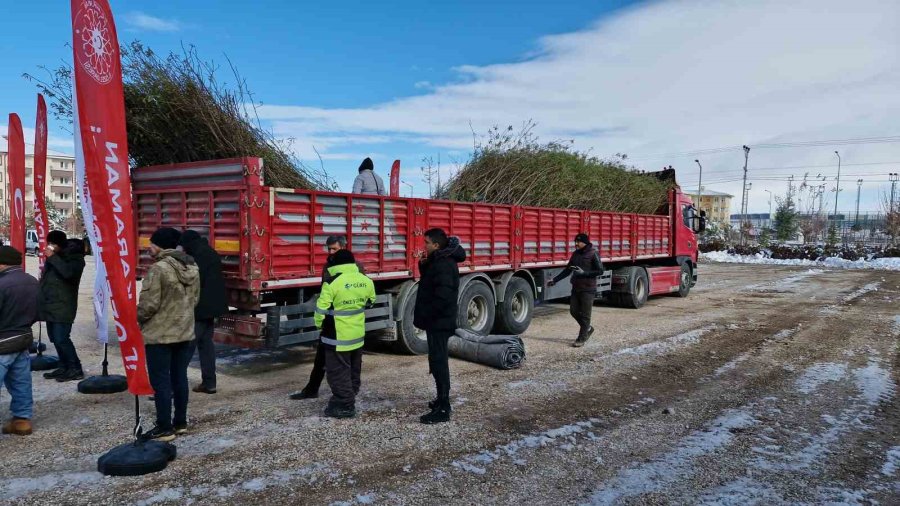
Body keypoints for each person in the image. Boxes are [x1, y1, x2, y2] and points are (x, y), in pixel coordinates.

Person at [137, 228, 200, 441]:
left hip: (161, 334)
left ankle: (164, 427)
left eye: (152, 243)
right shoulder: (192, 266)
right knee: (179, 377)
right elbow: (195, 300)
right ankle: (180, 423)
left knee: (161, 381)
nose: (149, 247)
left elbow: (149, 305)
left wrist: (138, 318)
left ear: (161, 246)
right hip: (185, 332)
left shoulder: (159, 269)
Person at [290, 235, 365, 401]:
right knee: (321, 358)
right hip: (330, 322)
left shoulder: (356, 267)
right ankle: (311, 389)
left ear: (344, 248)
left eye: (334, 249)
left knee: (348, 363)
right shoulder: (328, 265)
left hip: (344, 325)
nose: (330, 252)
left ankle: (347, 395)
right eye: (329, 248)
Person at [314, 249, 375, 418]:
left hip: (337, 336)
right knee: (354, 368)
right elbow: (371, 301)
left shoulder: (332, 282)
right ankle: (351, 392)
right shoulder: (365, 280)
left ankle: (345, 404)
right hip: (357, 334)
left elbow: (321, 310)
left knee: (337, 371)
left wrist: (319, 325)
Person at [413, 228, 466, 424]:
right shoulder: (438, 260)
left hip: (439, 321)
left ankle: (444, 407)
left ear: (436, 245)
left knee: (439, 361)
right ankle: (440, 400)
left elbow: (443, 295)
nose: (423, 246)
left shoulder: (444, 264)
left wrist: (428, 314)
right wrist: (423, 262)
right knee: (435, 360)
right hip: (436, 320)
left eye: (426, 243)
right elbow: (430, 280)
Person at [179, 230, 227, 395]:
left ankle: (172, 388)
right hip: (212, 308)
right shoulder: (210, 252)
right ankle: (209, 383)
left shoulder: (195, 258)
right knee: (206, 346)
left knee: (186, 348)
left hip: (200, 308)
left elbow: (190, 282)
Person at [0, 246, 39, 436]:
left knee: (18, 381)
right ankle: (22, 420)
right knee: (21, 382)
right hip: (23, 338)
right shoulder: (32, 281)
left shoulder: (2, 284)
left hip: (3, 341)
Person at [38, 231, 87, 382]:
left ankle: (75, 368)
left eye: (53, 244)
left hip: (64, 305)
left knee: (62, 338)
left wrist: (52, 257)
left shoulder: (75, 259)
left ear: (59, 245)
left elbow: (68, 274)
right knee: (54, 338)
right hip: (50, 305)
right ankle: (64, 366)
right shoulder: (55, 258)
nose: (50, 247)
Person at [549, 233, 604, 348]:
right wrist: (555, 280)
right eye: (575, 242)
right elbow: (567, 270)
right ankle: (588, 328)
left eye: (578, 242)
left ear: (585, 242)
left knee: (585, 314)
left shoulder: (593, 253)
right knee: (573, 311)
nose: (576, 244)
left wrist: (584, 273)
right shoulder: (575, 254)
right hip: (576, 287)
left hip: (588, 289)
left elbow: (600, 271)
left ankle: (581, 338)